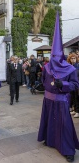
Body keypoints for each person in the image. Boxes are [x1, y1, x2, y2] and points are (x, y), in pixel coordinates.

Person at [38, 12, 79, 162]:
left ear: (61, 56)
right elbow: (43, 81)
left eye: (57, 56)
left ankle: (68, 149)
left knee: (65, 124)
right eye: (52, 56)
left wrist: (64, 85)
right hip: (48, 100)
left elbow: (75, 85)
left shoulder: (70, 69)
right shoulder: (47, 67)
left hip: (62, 101)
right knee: (49, 121)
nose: (54, 59)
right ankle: (50, 140)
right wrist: (48, 88)